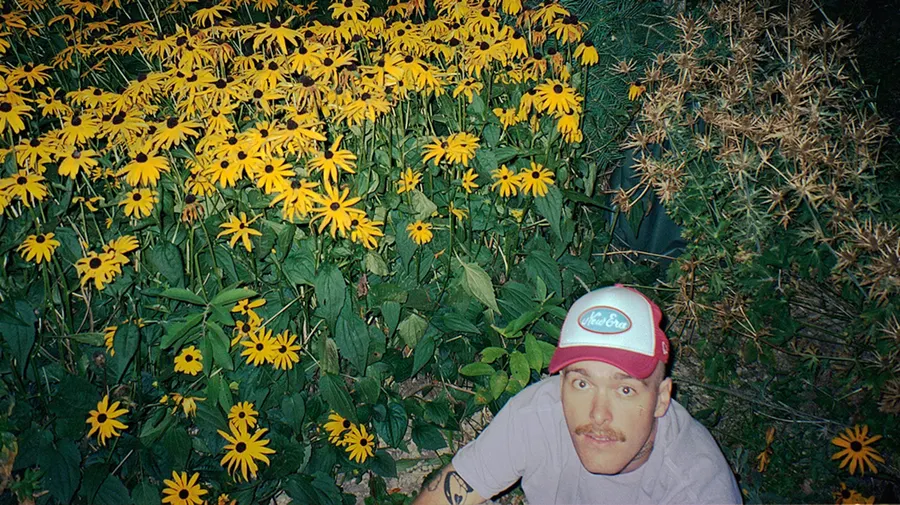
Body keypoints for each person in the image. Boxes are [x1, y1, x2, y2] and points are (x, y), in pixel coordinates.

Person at [411, 284, 743, 505]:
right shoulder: (537, 415)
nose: (598, 414)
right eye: (582, 384)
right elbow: (446, 494)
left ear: (661, 398)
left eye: (625, 389)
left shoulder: (694, 489)